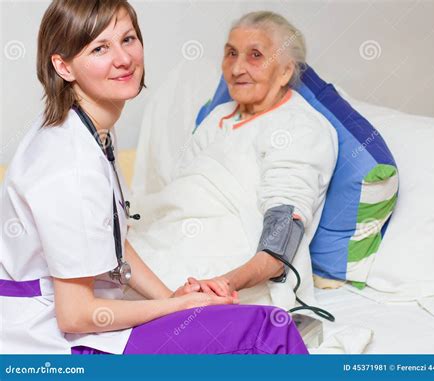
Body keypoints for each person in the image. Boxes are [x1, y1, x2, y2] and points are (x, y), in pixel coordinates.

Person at [0, 0, 308, 355]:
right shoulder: (69, 164)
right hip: (51, 345)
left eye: (128, 39)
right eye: (100, 48)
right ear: (63, 65)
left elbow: (109, 239)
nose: (123, 59)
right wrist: (178, 308)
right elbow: (75, 315)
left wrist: (173, 296)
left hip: (69, 325)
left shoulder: (89, 130)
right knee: (268, 330)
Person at [166, 11, 338, 304]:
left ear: (285, 71)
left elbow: (280, 241)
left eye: (255, 55)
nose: (236, 69)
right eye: (231, 53)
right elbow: (182, 193)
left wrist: (222, 283)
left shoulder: (300, 128)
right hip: (173, 238)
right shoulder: (218, 116)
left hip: (236, 264)